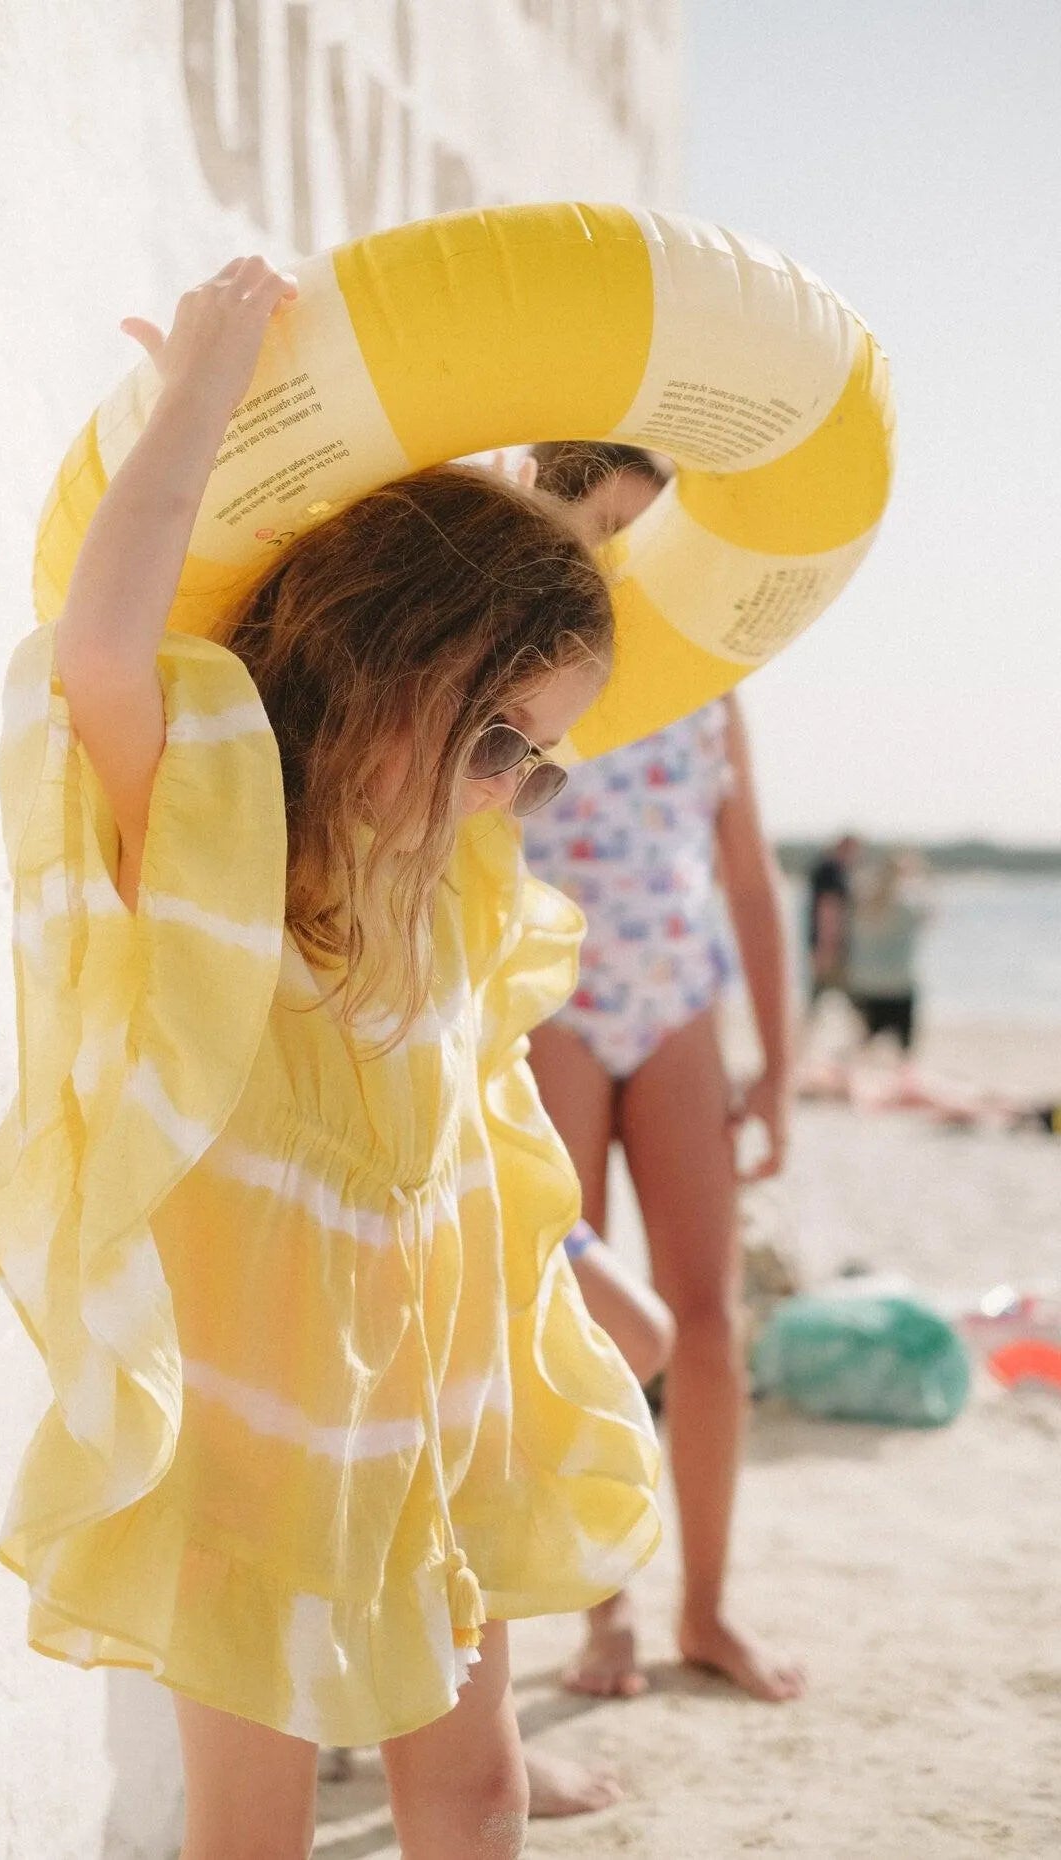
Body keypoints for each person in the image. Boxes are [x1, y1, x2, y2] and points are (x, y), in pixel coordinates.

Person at [0, 259, 663, 1860]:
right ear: (389, 659)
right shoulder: (225, 828)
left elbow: (472, 1127)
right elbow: (101, 651)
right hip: (264, 1431)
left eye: (540, 764)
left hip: (437, 1396)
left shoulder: (451, 873)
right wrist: (204, 393)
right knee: (255, 1821)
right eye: (496, 738)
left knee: (477, 1791)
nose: (508, 788)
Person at [521, 440, 804, 1707]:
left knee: (706, 1317)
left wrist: (780, 1070)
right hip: (558, 1008)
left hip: (680, 1002)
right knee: (579, 1318)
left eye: (648, 524)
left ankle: (706, 1605)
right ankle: (606, 1615)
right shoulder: (525, 657)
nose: (626, 549)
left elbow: (747, 877)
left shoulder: (706, 675)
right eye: (606, 523)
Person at [845, 850, 931, 1052]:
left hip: (864, 983)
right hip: (898, 985)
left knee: (864, 1043)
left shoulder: (864, 906)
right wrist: (921, 880)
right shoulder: (907, 908)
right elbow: (932, 914)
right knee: (904, 1050)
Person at [806, 833, 861, 1003]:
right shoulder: (831, 872)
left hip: (827, 942)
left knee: (819, 993)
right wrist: (826, 945)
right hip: (829, 943)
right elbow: (827, 910)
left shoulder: (833, 870)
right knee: (827, 989)